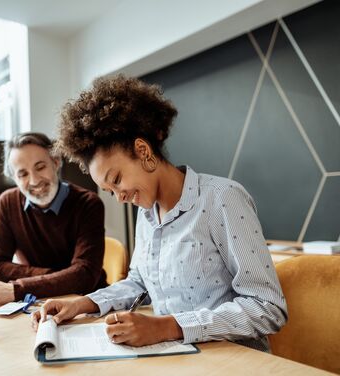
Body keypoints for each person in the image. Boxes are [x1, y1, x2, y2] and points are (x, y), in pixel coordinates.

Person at [31, 76, 287, 352]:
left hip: (233, 359)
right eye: (109, 190)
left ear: (143, 150)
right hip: (177, 357)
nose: (119, 197)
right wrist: (83, 303)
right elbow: (139, 282)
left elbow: (267, 308)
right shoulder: (147, 214)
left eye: (116, 179)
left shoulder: (221, 199)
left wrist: (167, 327)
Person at [0, 132, 107, 307]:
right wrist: (64, 275)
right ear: (14, 178)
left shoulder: (88, 204)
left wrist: (18, 288)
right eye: (22, 174)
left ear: (56, 162)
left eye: (40, 167)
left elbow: (84, 277)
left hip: (84, 303)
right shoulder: (8, 202)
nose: (35, 180)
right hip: (34, 302)